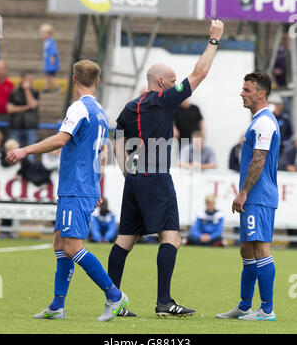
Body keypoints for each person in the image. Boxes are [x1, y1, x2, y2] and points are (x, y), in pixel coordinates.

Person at [109, 19, 224, 317]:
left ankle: (113, 300)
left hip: (134, 178)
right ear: (161, 83)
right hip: (157, 176)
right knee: (171, 236)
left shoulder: (130, 106)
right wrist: (213, 40)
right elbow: (199, 74)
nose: (176, 86)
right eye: (172, 82)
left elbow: (117, 138)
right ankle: (164, 302)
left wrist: (125, 169)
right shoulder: (164, 100)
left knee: (125, 239)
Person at [6, 59, 129, 322]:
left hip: (76, 187)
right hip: (80, 187)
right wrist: (96, 187)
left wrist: (24, 149)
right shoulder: (100, 111)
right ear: (97, 81)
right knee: (60, 243)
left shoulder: (79, 108)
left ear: (73, 79)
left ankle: (115, 296)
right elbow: (103, 152)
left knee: (73, 247)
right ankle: (57, 305)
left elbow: (61, 140)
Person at [216, 72, 280, 321]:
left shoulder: (264, 122)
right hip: (254, 195)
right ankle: (244, 306)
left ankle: (266, 309)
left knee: (261, 248)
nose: (242, 94)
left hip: (259, 195)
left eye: (247, 90)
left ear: (261, 94)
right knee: (246, 249)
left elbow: (259, 159)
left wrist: (243, 192)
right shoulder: (257, 121)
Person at [7, 70, 39, 161]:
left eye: (31, 79)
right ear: (22, 79)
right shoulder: (14, 92)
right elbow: (10, 109)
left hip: (30, 127)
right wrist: (25, 108)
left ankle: (29, 173)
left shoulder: (34, 92)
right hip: (16, 126)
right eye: (28, 79)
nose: (30, 81)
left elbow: (32, 105)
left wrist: (27, 90)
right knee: (13, 151)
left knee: (31, 154)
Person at [268, 92, 293, 157]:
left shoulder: (285, 119)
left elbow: (290, 136)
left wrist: (281, 143)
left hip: (283, 151)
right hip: (270, 150)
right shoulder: (267, 119)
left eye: (276, 104)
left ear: (280, 105)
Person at [39, 24, 60, 93]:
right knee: (47, 75)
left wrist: (53, 58)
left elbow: (53, 51)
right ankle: (46, 87)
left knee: (50, 75)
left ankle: (56, 87)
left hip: (51, 62)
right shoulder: (46, 42)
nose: (42, 35)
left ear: (49, 34)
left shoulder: (51, 41)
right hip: (47, 62)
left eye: (44, 33)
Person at [0, 59, 14, 138]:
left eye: (2, 69)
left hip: (7, 116)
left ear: (6, 70)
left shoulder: (10, 85)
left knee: (7, 138)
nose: (0, 71)